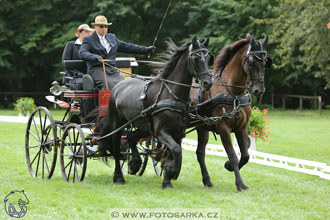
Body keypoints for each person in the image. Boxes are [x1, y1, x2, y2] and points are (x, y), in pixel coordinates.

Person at [79, 15, 155, 89]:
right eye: (101, 26)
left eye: (106, 26)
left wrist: (146, 50)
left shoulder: (112, 37)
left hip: (112, 70)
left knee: (124, 85)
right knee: (109, 85)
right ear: (95, 27)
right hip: (97, 70)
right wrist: (94, 57)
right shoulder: (88, 39)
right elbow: (82, 53)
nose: (104, 28)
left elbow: (127, 47)